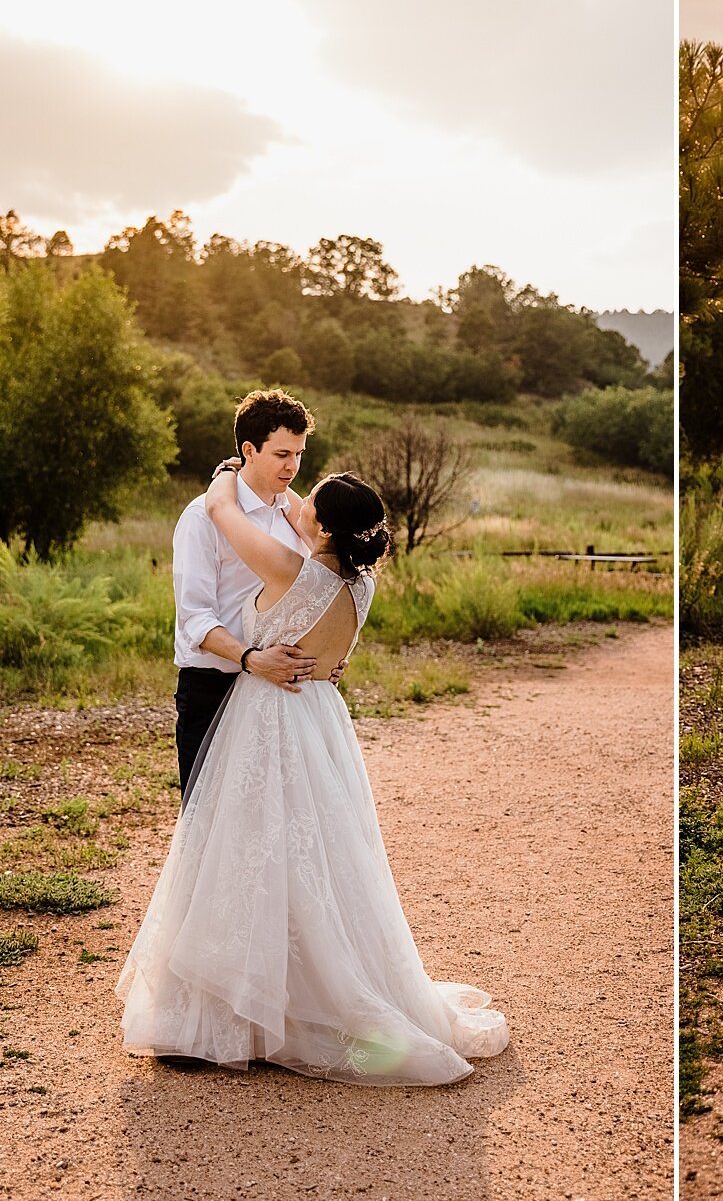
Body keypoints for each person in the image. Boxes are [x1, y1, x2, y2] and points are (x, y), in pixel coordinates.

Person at [118, 465, 510, 1083]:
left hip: (270, 715)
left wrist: (228, 474)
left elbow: (224, 513)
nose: (295, 502)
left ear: (322, 528)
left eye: (309, 504)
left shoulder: (290, 570)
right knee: (319, 855)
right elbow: (313, 517)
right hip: (322, 716)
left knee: (248, 851)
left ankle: (237, 1013)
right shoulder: (360, 582)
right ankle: (293, 987)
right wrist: (300, 494)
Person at [169, 390, 323, 802]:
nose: (293, 466)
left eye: (299, 453)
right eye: (282, 454)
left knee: (277, 819)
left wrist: (328, 656)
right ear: (249, 451)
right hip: (214, 688)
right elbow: (195, 618)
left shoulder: (296, 517)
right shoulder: (203, 517)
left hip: (283, 696)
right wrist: (252, 660)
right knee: (206, 821)